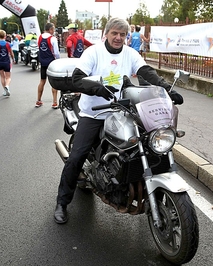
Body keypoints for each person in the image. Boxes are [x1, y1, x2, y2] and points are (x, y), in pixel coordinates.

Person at [54, 17, 184, 224]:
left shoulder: (130, 53)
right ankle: (62, 203)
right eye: (114, 33)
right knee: (76, 157)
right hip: (94, 113)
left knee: (146, 144)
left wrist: (168, 90)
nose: (118, 38)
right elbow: (77, 78)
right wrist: (97, 88)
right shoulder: (93, 53)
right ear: (106, 33)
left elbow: (146, 72)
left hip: (122, 111)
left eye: (122, 34)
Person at [35, 23, 61, 108]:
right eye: (53, 29)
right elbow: (56, 52)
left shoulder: (39, 37)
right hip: (51, 63)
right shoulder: (52, 39)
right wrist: (58, 60)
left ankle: (38, 100)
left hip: (43, 62)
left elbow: (39, 48)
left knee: (42, 81)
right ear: (50, 29)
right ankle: (54, 102)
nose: (54, 31)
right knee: (54, 83)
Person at [0, 30, 14, 97]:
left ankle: (4, 91)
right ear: (5, 36)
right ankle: (7, 86)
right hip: (7, 62)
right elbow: (11, 53)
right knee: (8, 77)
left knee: (2, 77)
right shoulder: (8, 44)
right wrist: (13, 59)